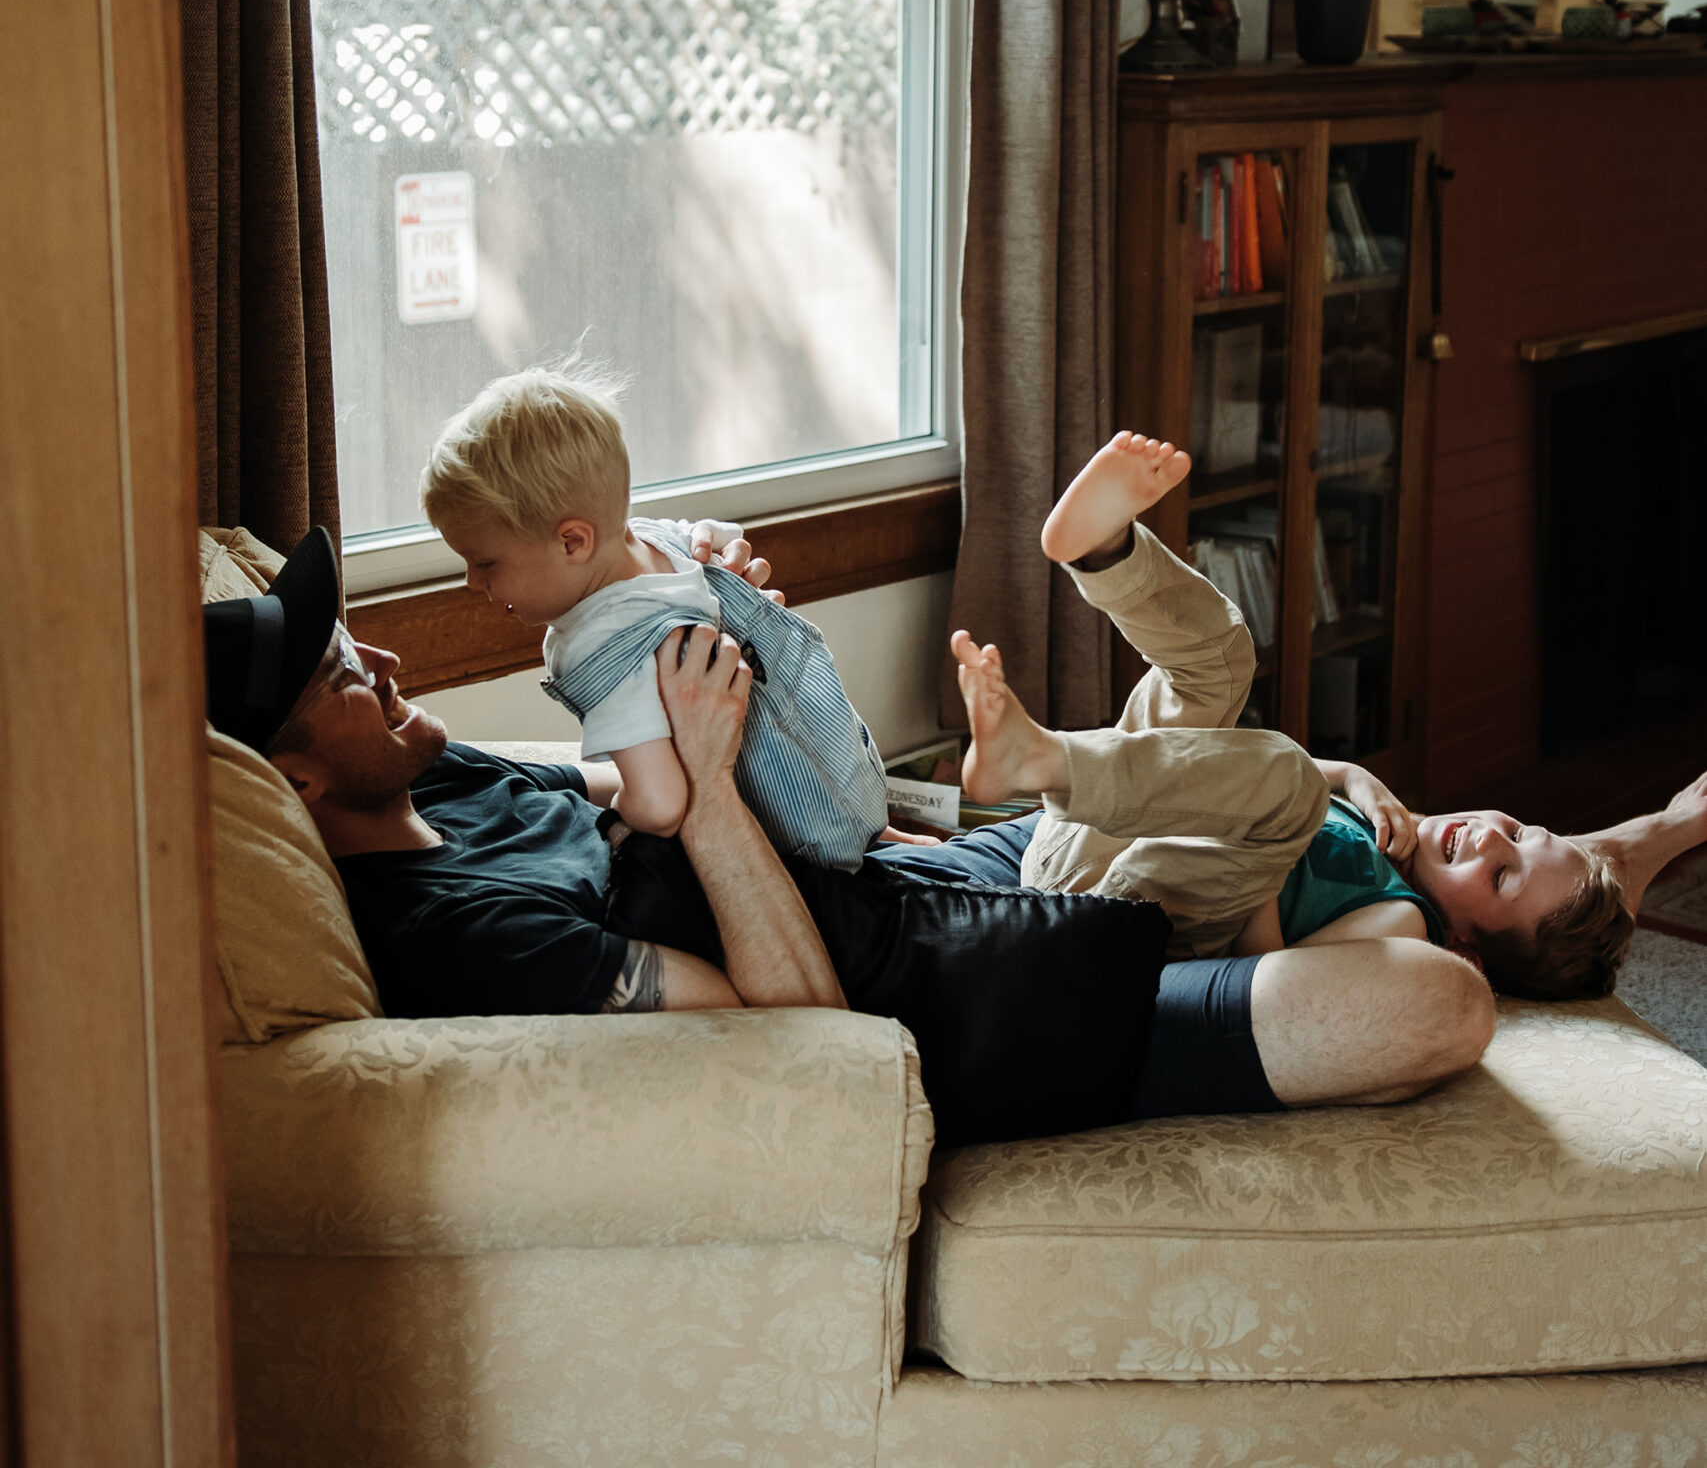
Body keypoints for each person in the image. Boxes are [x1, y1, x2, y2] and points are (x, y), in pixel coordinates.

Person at [200, 512, 1499, 1147]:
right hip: (965, 1011)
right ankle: (1360, 869)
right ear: (297, 783)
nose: (373, 654)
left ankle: (1462, 843)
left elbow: (631, 787)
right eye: (332, 675)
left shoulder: (440, 777)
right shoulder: (455, 937)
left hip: (905, 879)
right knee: (1434, 1003)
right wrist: (707, 790)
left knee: (1219, 738)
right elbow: (792, 1039)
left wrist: (719, 638)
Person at [950, 429, 1704, 1001]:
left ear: (1469, 949)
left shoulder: (1406, 921)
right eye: (1514, 830)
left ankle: (1043, 759)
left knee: (1280, 779)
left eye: (1499, 875)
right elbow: (1246, 781)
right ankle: (1102, 552)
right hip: (1093, 831)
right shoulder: (1392, 825)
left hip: (1111, 911)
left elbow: (1272, 976)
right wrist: (1354, 775)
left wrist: (1275, 843)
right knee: (1222, 663)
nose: (1484, 838)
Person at [419, 362, 888, 872]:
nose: (471, 583)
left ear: (573, 541)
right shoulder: (655, 538)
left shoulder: (603, 645)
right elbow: (718, 534)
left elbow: (661, 806)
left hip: (799, 852)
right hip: (852, 778)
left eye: (485, 563)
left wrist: (614, 823)